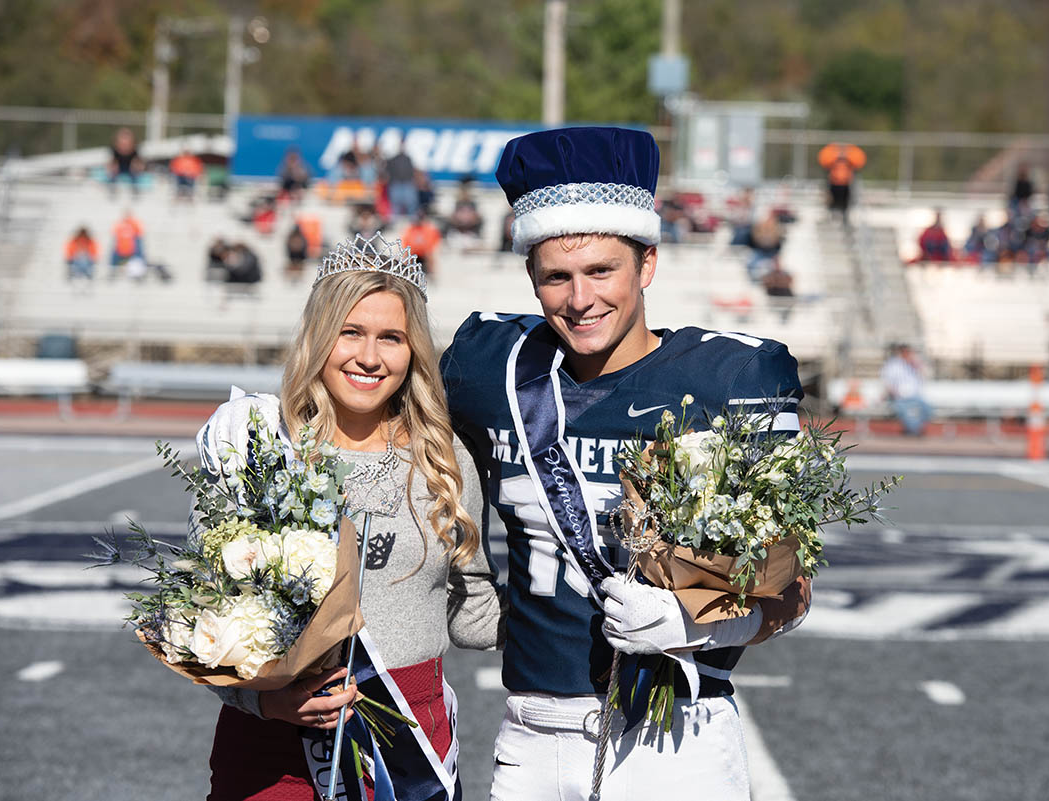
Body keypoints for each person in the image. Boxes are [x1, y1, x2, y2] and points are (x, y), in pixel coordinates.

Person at [442, 127, 812, 800]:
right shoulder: (488, 366)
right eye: (557, 276)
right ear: (531, 276)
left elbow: (790, 589)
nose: (580, 299)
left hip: (678, 740)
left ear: (646, 263)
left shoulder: (729, 379)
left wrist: (697, 621)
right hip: (532, 737)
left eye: (601, 270)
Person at [194, 233, 504, 800]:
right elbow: (205, 624)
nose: (369, 356)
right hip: (274, 747)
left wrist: (583, 611)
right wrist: (263, 700)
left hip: (410, 740)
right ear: (319, 337)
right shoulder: (258, 446)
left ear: (413, 351)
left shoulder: (445, 457)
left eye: (392, 337)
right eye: (351, 332)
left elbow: (473, 610)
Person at [880, 342, 933, 436]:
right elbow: (887, 382)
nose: (907, 354)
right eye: (905, 352)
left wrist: (917, 365)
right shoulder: (893, 365)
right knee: (904, 412)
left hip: (916, 396)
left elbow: (927, 375)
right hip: (899, 397)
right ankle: (913, 432)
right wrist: (894, 394)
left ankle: (914, 430)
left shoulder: (915, 364)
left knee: (927, 409)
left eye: (909, 352)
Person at [817, 141, 866, 224]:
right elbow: (825, 162)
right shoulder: (830, 154)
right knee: (831, 199)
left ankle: (845, 216)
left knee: (846, 201)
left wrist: (847, 158)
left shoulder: (851, 155)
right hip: (833, 182)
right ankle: (831, 214)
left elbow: (858, 163)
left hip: (847, 183)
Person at [401, 210, 443, 279]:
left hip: (424, 253)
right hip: (413, 253)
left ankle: (432, 275)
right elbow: (405, 242)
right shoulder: (409, 229)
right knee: (407, 256)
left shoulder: (428, 229)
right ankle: (407, 273)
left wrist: (427, 250)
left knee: (430, 255)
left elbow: (434, 241)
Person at [384, 140, 418, 217]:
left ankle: (411, 223)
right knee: (396, 207)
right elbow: (387, 172)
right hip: (396, 184)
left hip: (407, 184)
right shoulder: (392, 159)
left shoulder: (408, 159)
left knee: (411, 205)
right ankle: (395, 223)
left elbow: (412, 171)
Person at [107, 127, 144, 196]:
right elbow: (111, 163)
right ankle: (112, 190)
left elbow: (139, 163)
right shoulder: (114, 150)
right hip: (119, 169)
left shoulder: (135, 150)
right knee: (112, 174)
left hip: (130, 169)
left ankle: (135, 191)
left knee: (135, 175)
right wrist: (112, 168)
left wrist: (137, 167)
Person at [109, 210, 144, 277]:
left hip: (133, 252)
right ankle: (112, 271)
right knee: (113, 252)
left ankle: (139, 271)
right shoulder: (119, 225)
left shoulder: (134, 224)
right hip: (121, 251)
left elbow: (139, 234)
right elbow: (115, 234)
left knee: (139, 246)